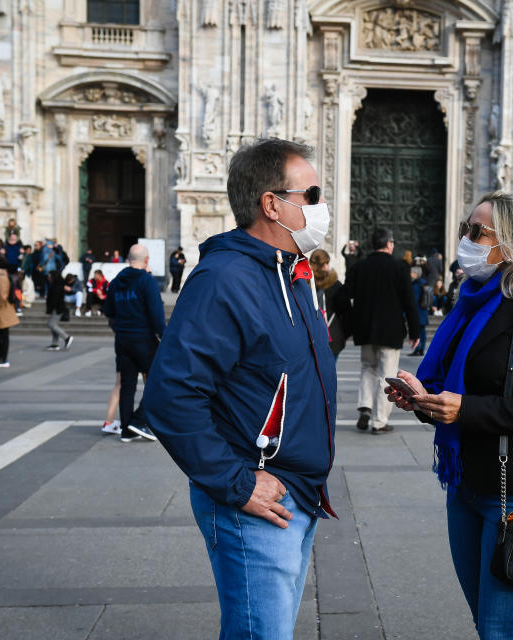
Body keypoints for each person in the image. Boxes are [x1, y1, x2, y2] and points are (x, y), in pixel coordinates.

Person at [143, 138, 338, 640]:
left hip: (296, 493)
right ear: (272, 203)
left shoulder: (292, 276)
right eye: (311, 193)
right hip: (256, 496)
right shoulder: (225, 278)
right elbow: (170, 396)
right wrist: (237, 482)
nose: (322, 205)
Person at [384, 190, 513, 639]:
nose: (465, 242)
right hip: (467, 483)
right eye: (464, 230)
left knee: (499, 628)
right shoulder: (469, 305)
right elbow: (455, 392)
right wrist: (424, 400)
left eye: (475, 232)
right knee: (484, 621)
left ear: (512, 241)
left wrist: (466, 409)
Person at [338, 227, 420, 433]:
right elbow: (410, 302)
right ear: (390, 244)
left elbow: (342, 296)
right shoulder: (400, 268)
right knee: (387, 373)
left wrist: (352, 319)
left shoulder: (359, 267)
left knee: (367, 368)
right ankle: (379, 421)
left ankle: (365, 406)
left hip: (365, 331)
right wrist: (415, 331)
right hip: (390, 332)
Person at [104, 244, 165, 442]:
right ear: (146, 260)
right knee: (158, 382)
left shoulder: (116, 282)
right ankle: (138, 421)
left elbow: (109, 311)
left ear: (128, 259)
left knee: (127, 385)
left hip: (122, 339)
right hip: (144, 339)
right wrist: (164, 336)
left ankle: (126, 429)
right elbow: (156, 314)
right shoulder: (146, 281)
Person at [310, 248, 348, 360]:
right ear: (325, 264)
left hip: (309, 338)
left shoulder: (304, 284)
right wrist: (343, 335)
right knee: (329, 372)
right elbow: (346, 312)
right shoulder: (335, 285)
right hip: (332, 336)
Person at [45, 270, 73, 351]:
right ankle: (55, 343)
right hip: (58, 308)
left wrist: (49, 310)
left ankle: (66, 337)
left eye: (50, 276)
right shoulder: (57, 285)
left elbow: (54, 300)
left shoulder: (56, 286)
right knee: (53, 325)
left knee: (51, 325)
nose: (48, 277)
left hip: (57, 309)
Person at [410, 266, 430, 357]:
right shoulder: (423, 283)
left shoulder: (416, 284)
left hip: (418, 311)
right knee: (422, 332)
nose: (410, 274)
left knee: (419, 332)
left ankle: (418, 349)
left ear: (416, 273)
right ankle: (421, 349)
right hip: (423, 311)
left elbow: (414, 299)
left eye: (412, 272)